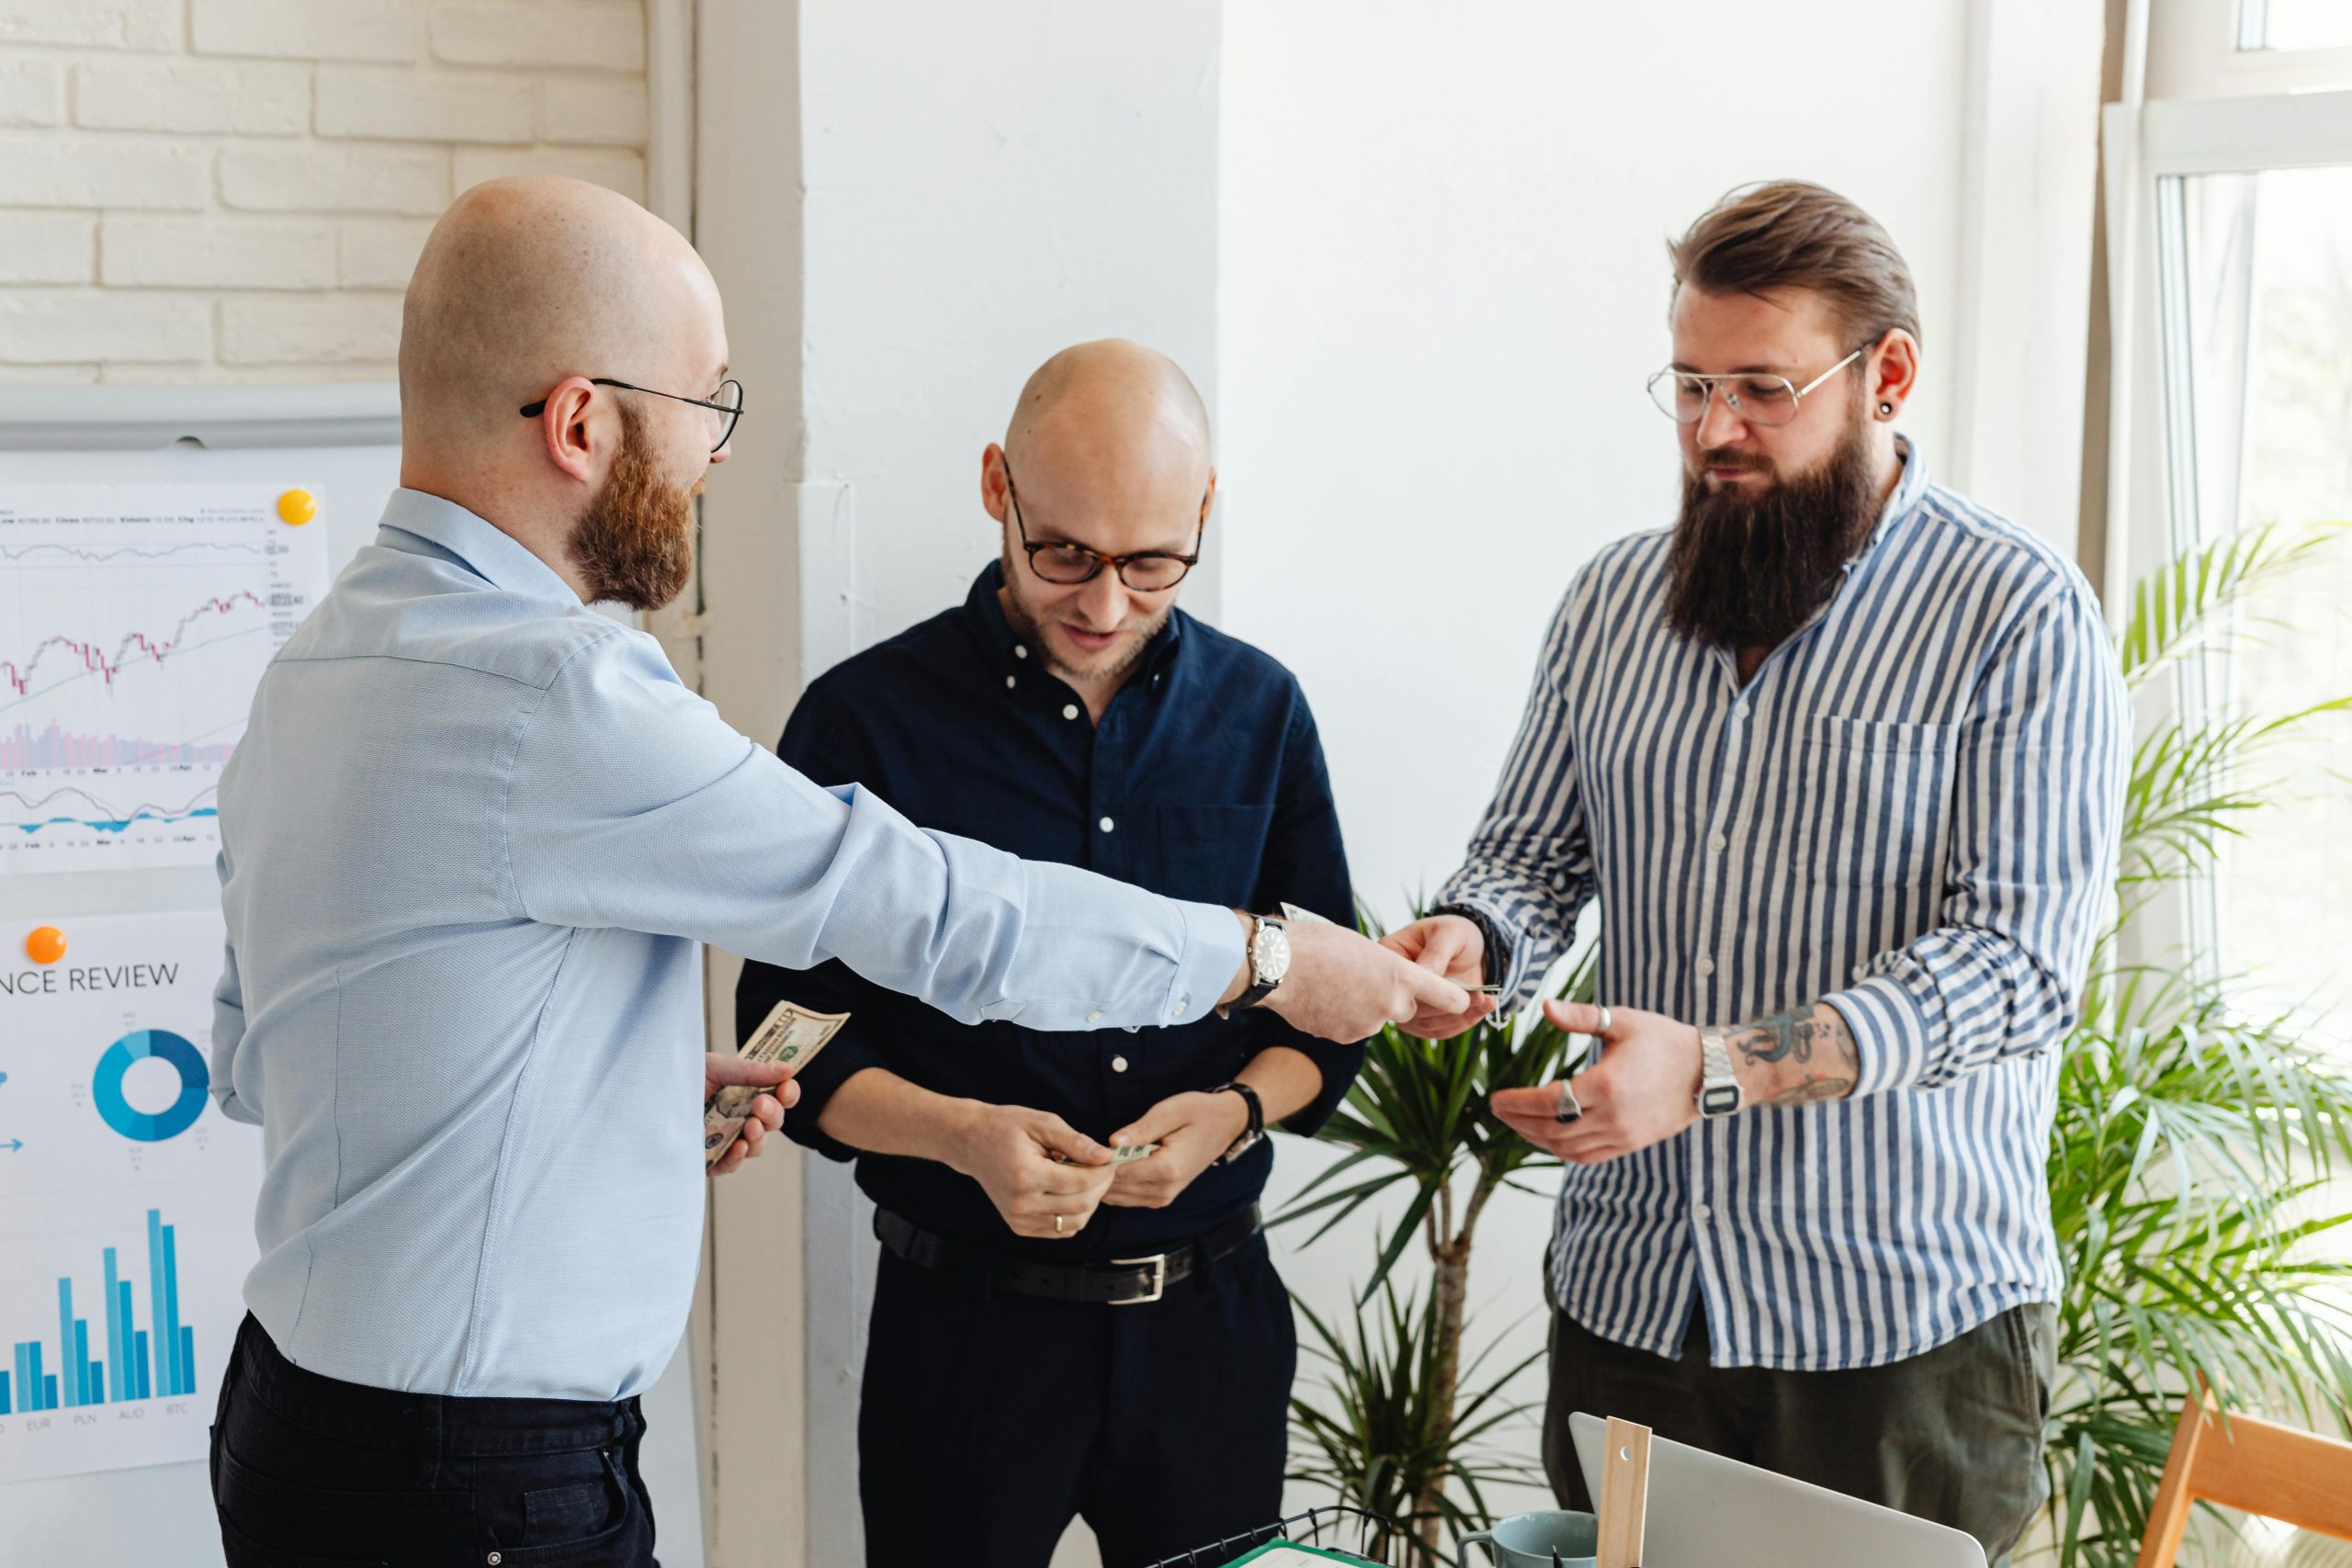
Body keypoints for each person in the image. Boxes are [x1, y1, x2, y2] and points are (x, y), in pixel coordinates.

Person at [206, 177, 1467, 1568]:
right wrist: (1275, 956)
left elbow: (266, 1052)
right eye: (707, 404)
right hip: (474, 1480)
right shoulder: (556, 690)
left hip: (306, 1426)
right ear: (581, 422)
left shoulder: (319, 662)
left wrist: (590, 1092)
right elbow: (936, 913)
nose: (716, 454)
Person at [1384, 180, 2128, 1565]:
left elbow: (2016, 971)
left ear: (1886, 376)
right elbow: (1532, 858)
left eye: (1764, 390)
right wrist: (1476, 943)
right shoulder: (1610, 600)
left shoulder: (2019, 615)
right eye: (1690, 385)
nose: (1716, 429)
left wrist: (1721, 1066)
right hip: (1634, 1306)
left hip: (1895, 1333)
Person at [738, 340, 1353, 1568]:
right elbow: (782, 1039)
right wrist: (962, 1137)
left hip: (1212, 1330)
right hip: (961, 1332)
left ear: (1205, 512)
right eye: (1063, 552)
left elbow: (1323, 1014)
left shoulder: (1264, 712)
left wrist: (1230, 1114)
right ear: (994, 487)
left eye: (1153, 562)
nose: (1105, 603)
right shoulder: (865, 719)